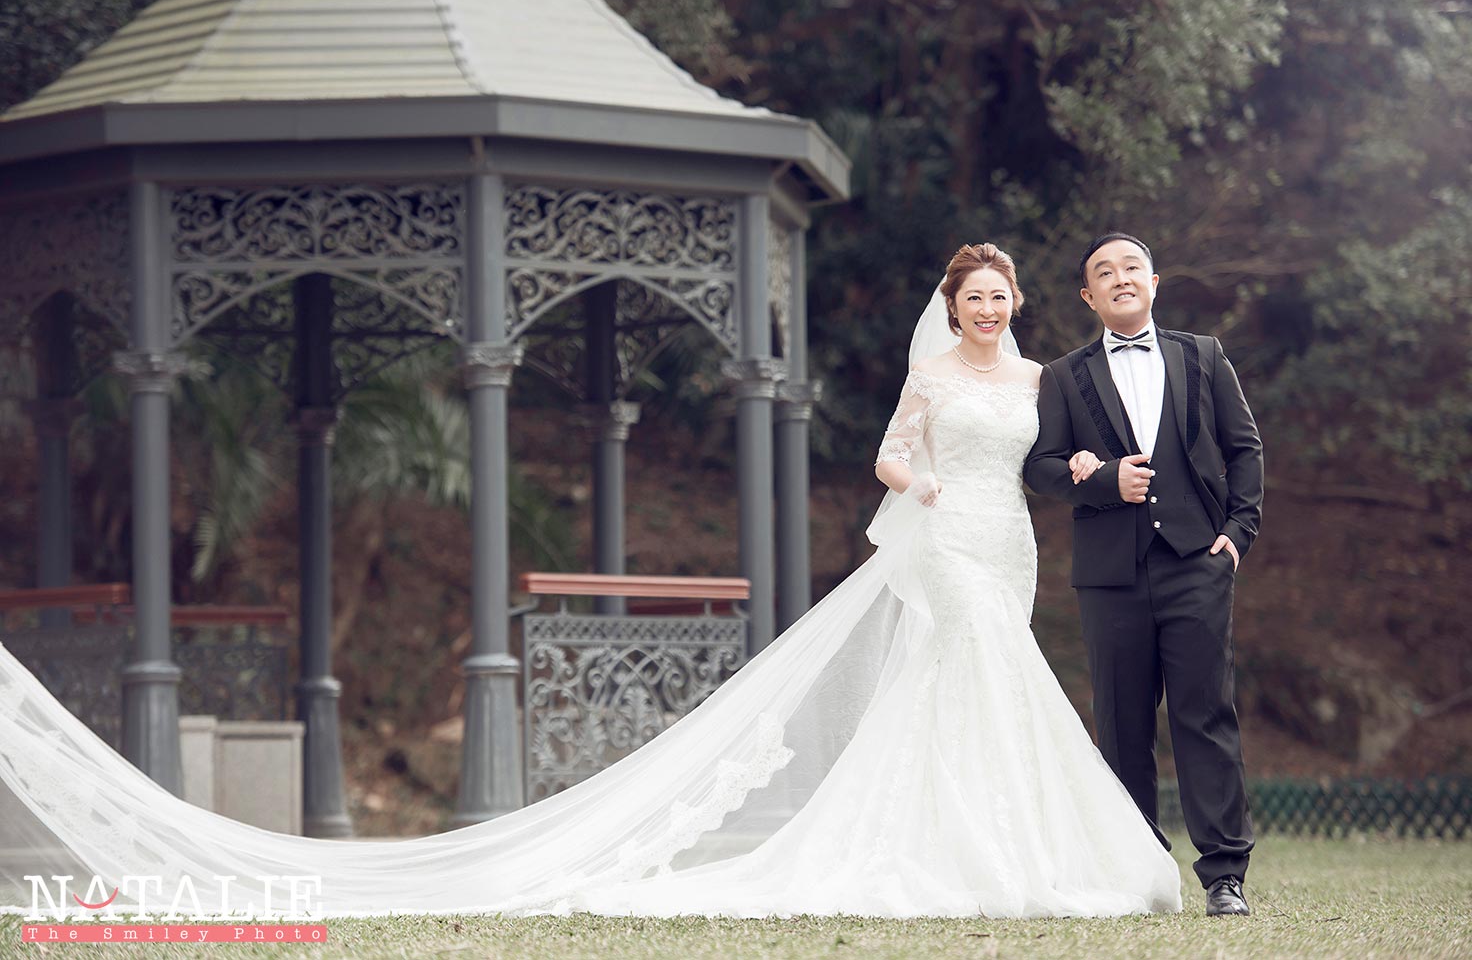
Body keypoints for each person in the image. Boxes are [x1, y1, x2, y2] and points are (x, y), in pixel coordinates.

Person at [0, 244, 1181, 921]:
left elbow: (1051, 457)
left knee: (995, 671)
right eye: (973, 296)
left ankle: (1013, 835)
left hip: (1007, 537)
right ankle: (963, 845)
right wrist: (912, 482)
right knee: (964, 663)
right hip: (946, 533)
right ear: (953, 304)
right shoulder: (932, 376)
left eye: (998, 295)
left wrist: (1085, 472)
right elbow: (885, 454)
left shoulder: (1040, 375)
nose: (987, 307)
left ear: (1015, 305)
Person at [1023, 232, 1262, 917]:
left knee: (1205, 716)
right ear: (1088, 296)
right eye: (1105, 272)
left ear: (1153, 282)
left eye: (1132, 267)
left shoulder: (1204, 355)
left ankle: (1224, 875)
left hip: (1197, 562)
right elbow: (1039, 466)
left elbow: (1244, 448)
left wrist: (1238, 533)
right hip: (1110, 575)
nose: (1120, 278)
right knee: (1122, 724)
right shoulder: (1062, 375)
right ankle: (1136, 870)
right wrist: (1103, 480)